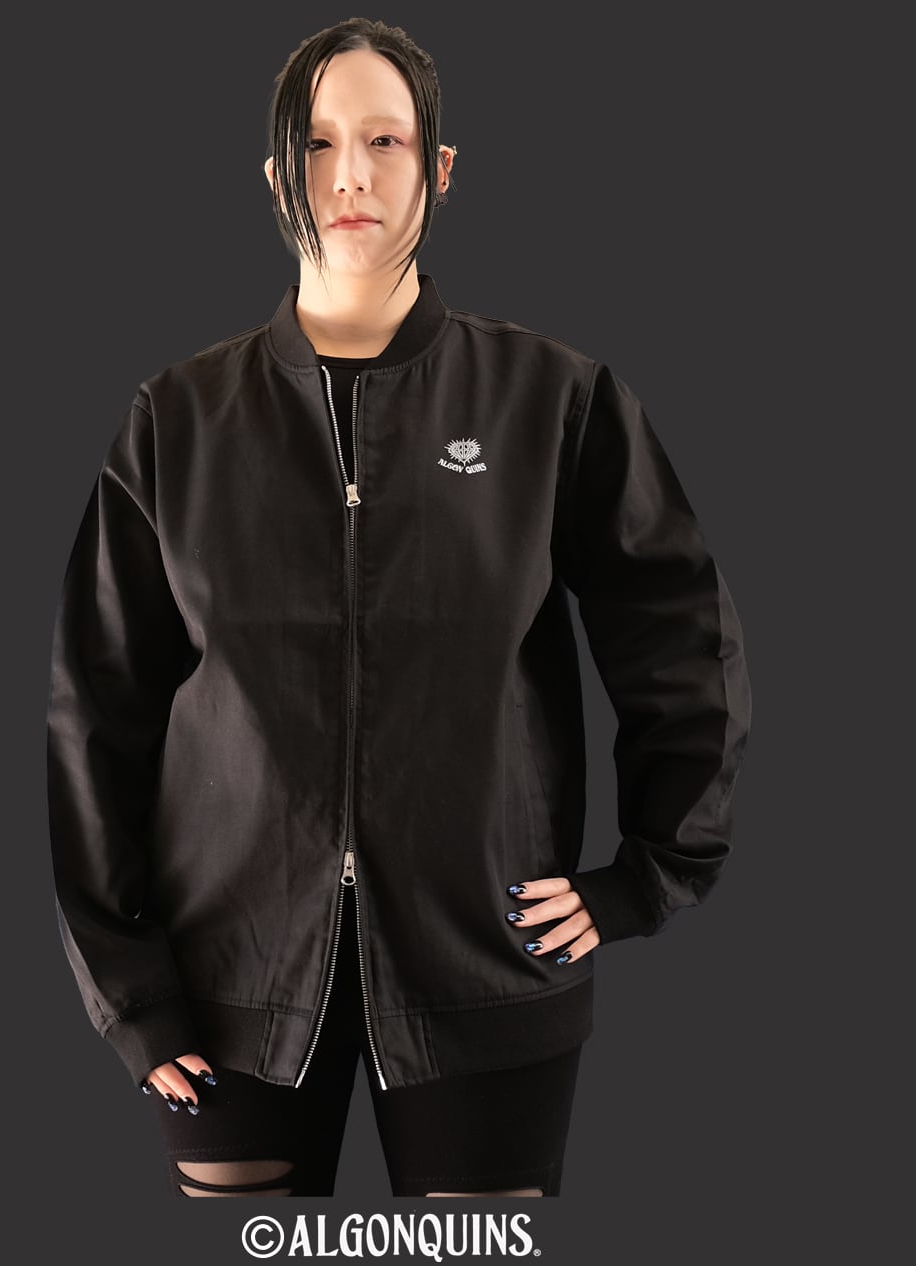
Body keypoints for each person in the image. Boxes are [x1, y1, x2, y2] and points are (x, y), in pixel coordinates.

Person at [45, 17, 752, 1200]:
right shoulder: (178, 419)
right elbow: (94, 712)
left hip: (488, 964)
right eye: (318, 144)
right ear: (275, 172)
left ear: (442, 166)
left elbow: (682, 637)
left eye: (386, 140)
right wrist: (130, 990)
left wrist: (645, 874)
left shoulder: (551, 400)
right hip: (227, 989)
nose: (351, 176)